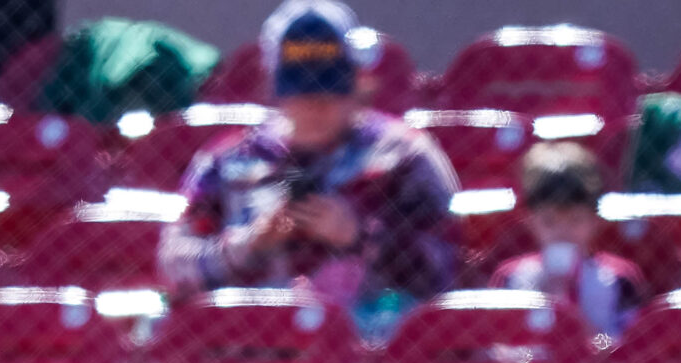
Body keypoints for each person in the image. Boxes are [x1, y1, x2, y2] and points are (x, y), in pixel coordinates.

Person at [158, 0, 458, 339]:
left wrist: (360, 236)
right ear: (275, 88)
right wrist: (249, 242)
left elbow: (445, 268)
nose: (317, 105)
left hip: (367, 343)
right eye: (303, 92)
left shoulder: (404, 156)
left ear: (358, 81)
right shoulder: (229, 161)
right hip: (246, 339)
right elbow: (173, 262)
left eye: (329, 90)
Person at [489, 144, 649, 340]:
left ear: (594, 220)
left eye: (575, 220)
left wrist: (573, 316)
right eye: (549, 222)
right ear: (530, 221)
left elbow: (633, 347)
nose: (562, 232)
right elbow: (499, 346)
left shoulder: (619, 278)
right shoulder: (511, 278)